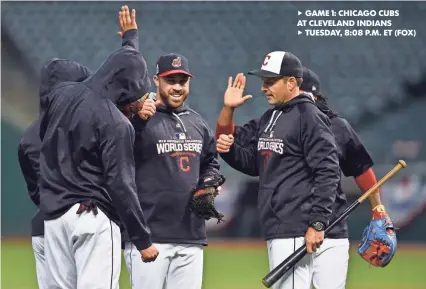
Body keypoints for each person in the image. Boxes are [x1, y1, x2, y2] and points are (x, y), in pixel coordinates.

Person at [38, 6, 158, 289]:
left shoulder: (61, 95)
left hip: (55, 219)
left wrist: (130, 39)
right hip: (92, 218)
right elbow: (121, 184)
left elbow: (123, 66)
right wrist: (142, 240)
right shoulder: (116, 123)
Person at [215, 51, 341, 289]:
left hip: (296, 224)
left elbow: (328, 170)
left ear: (292, 82)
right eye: (263, 81)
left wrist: (318, 222)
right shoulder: (271, 116)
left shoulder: (309, 116)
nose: (264, 87)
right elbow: (255, 165)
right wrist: (229, 150)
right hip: (278, 224)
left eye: (270, 81)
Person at [123, 53, 223, 289]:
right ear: (156, 80)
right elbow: (118, 153)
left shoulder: (198, 123)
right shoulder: (140, 121)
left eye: (183, 81)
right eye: (171, 81)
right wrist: (137, 122)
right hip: (149, 236)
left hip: (190, 234)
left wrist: (209, 180)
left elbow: (211, 161)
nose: (177, 87)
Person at [298, 66, 396, 288]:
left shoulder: (337, 126)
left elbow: (361, 169)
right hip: (290, 226)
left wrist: (378, 209)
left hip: (331, 226)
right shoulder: (279, 125)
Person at [18, 59, 92, 289]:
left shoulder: (28, 137)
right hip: (85, 219)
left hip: (46, 224)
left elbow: (35, 191)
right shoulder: (89, 126)